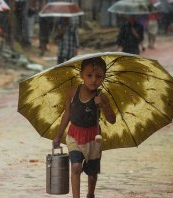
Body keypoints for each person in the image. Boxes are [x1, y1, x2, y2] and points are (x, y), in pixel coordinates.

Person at [53, 57, 116, 198]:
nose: (94, 80)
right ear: (82, 75)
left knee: (92, 173)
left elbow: (112, 120)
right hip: (74, 135)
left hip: (93, 139)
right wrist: (58, 135)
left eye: (98, 76)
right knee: (76, 167)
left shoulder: (102, 96)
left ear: (104, 78)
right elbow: (67, 115)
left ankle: (90, 194)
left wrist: (104, 105)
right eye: (89, 75)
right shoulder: (72, 92)